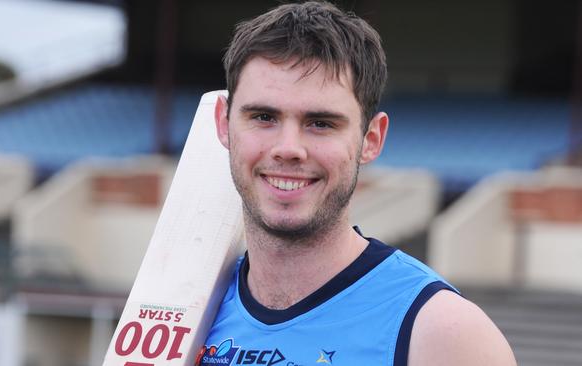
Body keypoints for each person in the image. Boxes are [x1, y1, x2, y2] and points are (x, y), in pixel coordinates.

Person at [198, 2, 517, 365]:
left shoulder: (443, 334)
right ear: (223, 125)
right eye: (263, 116)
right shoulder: (184, 307)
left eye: (320, 123)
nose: (288, 149)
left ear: (371, 139)